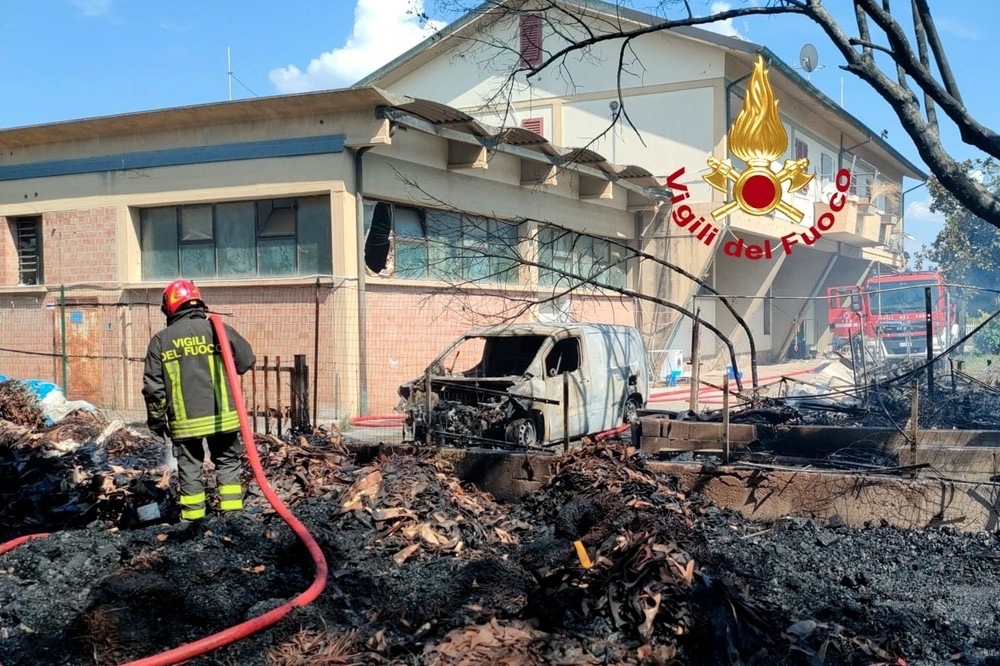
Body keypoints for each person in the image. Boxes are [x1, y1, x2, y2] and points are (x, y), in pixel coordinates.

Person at [142, 279, 256, 522]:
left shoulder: (161, 341)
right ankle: (232, 516)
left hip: (185, 423)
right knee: (227, 462)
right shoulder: (218, 329)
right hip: (222, 417)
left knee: (190, 468)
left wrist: (156, 422)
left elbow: (154, 390)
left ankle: (194, 522)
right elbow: (246, 361)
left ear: (170, 307)